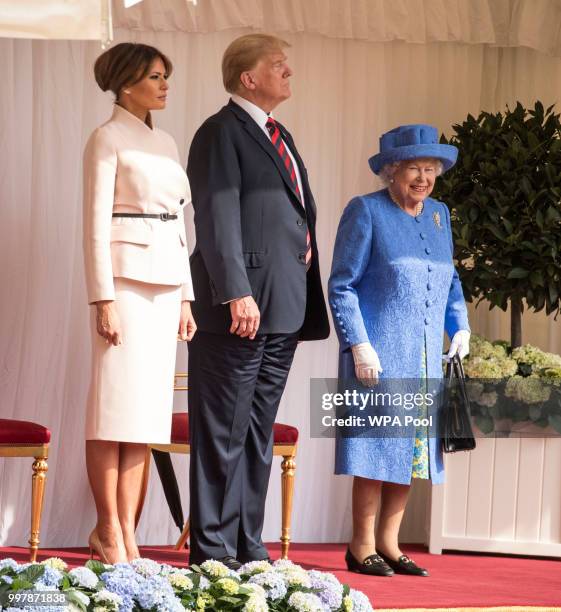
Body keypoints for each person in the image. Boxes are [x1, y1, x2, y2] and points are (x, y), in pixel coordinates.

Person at [186, 33, 330, 569]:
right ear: (249, 78)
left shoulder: (278, 132)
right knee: (223, 433)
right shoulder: (220, 132)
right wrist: (236, 293)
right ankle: (213, 556)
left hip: (284, 307)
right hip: (238, 310)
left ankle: (249, 549)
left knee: (256, 433)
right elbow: (216, 216)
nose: (288, 72)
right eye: (278, 66)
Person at [328, 124, 470, 577]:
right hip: (380, 353)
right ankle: (361, 544)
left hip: (426, 353)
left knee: (410, 452)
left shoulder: (439, 215)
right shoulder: (365, 211)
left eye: (430, 169)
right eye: (413, 168)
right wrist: (358, 344)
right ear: (391, 171)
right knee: (375, 448)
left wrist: (460, 326)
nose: (423, 178)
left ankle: (389, 544)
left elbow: (450, 278)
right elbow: (342, 285)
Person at [83, 42, 196, 564]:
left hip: (166, 285)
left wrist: (187, 299)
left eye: (165, 75)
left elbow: (180, 223)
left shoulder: (168, 141)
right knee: (112, 411)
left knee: (146, 417)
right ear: (127, 83)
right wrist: (102, 298)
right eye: (155, 75)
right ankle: (107, 528)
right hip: (124, 285)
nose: (164, 84)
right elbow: (94, 225)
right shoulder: (105, 139)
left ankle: (128, 531)